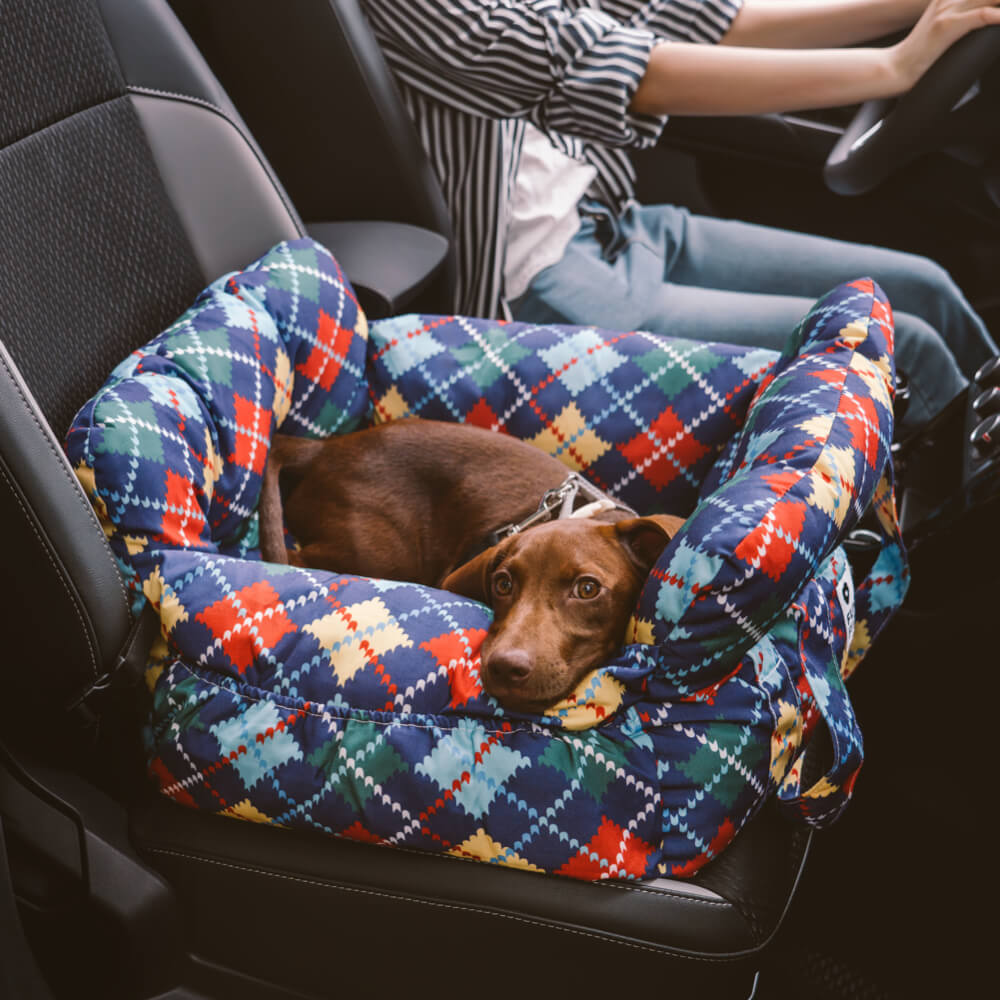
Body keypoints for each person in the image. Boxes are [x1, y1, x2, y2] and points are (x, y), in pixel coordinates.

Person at [359, 0, 1000, 432]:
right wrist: (894, 66)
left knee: (927, 290)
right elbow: (614, 66)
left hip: (612, 224)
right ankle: (948, 570)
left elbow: (685, 18)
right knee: (901, 347)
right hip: (535, 287)